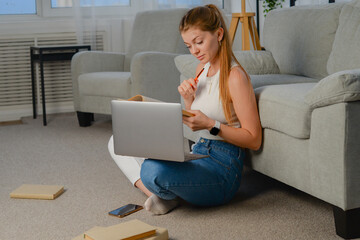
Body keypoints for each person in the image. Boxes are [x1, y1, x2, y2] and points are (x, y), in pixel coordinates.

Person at [108, 4, 262, 215]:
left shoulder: (235, 77)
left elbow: (253, 139)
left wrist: (211, 124)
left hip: (223, 168)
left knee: (152, 169)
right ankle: (162, 196)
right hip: (198, 152)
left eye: (199, 42)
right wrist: (188, 102)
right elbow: (196, 126)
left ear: (218, 34)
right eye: (189, 46)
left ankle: (166, 195)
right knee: (117, 141)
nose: (194, 51)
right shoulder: (202, 69)